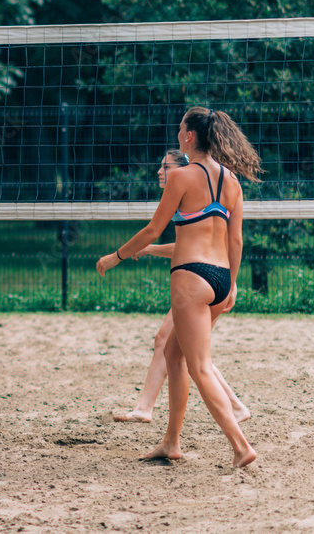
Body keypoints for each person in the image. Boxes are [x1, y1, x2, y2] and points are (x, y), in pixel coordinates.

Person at [97, 108, 262, 468]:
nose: (177, 134)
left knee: (199, 367)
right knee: (174, 355)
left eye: (179, 130)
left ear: (190, 137)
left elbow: (154, 229)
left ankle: (241, 446)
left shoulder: (183, 176)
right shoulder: (232, 181)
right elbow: (236, 242)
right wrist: (232, 284)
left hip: (191, 275)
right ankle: (171, 442)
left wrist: (116, 256)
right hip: (219, 278)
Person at [112, 150, 249, 424]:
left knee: (191, 356)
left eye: (166, 166)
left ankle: (235, 416)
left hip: (201, 281)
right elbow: (187, 246)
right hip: (213, 278)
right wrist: (150, 250)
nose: (160, 171)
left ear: (182, 167)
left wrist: (119, 256)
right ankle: (146, 409)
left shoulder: (192, 186)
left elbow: (198, 247)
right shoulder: (202, 189)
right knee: (169, 344)